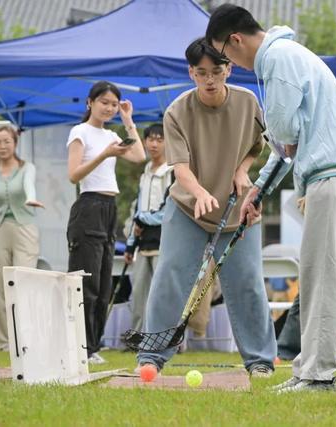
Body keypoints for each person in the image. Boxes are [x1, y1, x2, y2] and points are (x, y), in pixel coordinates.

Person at [206, 5, 336, 393]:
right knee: (315, 275)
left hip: (335, 172)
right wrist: (258, 191)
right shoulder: (283, 56)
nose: (231, 64)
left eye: (226, 55)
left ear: (236, 40)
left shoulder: (278, 59)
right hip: (327, 173)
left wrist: (279, 149)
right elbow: (284, 147)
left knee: (325, 277)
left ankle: (319, 376)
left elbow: (280, 128)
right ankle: (306, 371)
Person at [136, 38, 276, 377]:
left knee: (247, 282)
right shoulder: (177, 112)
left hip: (237, 209)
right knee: (170, 275)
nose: (210, 80)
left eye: (216, 72)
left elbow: (257, 146)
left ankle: (260, 361)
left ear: (228, 69)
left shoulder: (248, 102)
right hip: (188, 209)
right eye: (201, 73)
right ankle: (152, 357)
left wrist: (242, 170)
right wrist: (199, 192)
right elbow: (180, 168)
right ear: (191, 73)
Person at [67, 81, 146, 364]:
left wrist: (128, 120)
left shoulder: (112, 134)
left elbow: (139, 156)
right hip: (88, 207)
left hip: (109, 209)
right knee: (85, 283)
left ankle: (93, 347)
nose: (109, 108)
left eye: (114, 104)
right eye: (105, 102)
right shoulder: (80, 132)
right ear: (90, 103)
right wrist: (104, 155)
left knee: (102, 287)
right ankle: (81, 348)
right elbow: (74, 175)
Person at [0, 125, 44, 351]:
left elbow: (28, 185)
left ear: (15, 143)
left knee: (24, 282)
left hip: (24, 229)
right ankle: (3, 342)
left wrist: (31, 198)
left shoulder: (27, 168)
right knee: (0, 287)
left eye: (7, 141)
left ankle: (26, 340)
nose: (2, 146)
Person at [123, 123, 174, 332]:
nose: (154, 144)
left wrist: (143, 220)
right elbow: (138, 209)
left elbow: (168, 209)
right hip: (142, 243)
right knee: (139, 293)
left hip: (165, 241)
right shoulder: (145, 172)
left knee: (164, 293)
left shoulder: (172, 171)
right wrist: (129, 245)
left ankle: (167, 338)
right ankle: (137, 338)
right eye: (150, 139)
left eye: (160, 140)